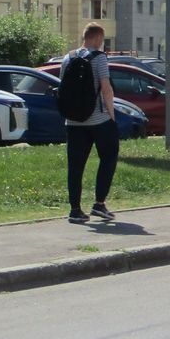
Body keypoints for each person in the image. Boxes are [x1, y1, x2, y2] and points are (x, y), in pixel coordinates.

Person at [64, 22, 119, 223]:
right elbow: (106, 88)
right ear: (97, 38)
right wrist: (111, 115)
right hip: (98, 119)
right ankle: (99, 204)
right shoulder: (99, 58)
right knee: (109, 156)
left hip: (73, 121)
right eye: (101, 40)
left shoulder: (67, 58)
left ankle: (75, 210)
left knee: (75, 165)